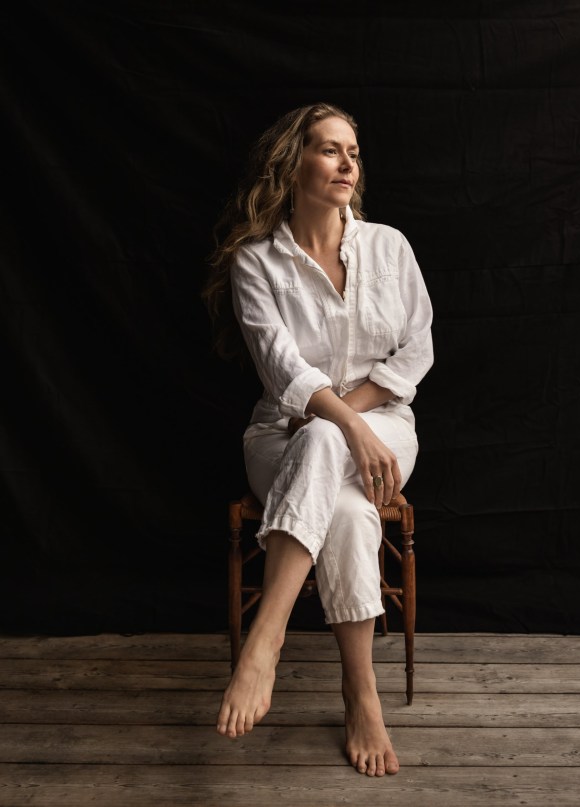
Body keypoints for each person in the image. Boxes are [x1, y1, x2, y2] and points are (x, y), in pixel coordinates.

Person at [201, 102, 434, 778]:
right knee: (347, 505)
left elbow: (416, 351)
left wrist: (347, 420)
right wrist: (341, 427)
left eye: (352, 152)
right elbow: (283, 369)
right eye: (330, 149)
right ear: (291, 163)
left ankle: (264, 641)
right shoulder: (256, 261)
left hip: (383, 430)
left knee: (328, 442)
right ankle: (361, 694)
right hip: (281, 438)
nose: (346, 163)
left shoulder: (389, 247)